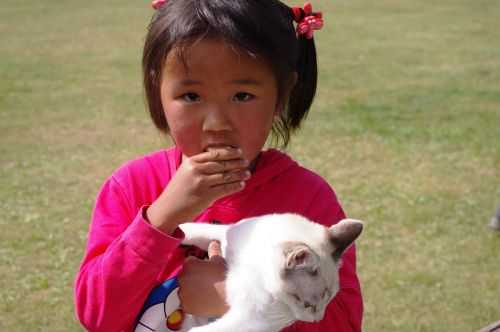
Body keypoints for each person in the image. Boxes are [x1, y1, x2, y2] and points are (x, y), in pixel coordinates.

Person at [74, 0, 363, 331]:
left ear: (282, 96)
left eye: (242, 95)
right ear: (158, 90)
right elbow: (97, 316)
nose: (216, 123)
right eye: (191, 97)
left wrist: (237, 299)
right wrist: (161, 218)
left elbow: (344, 323)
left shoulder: (307, 200)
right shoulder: (132, 186)